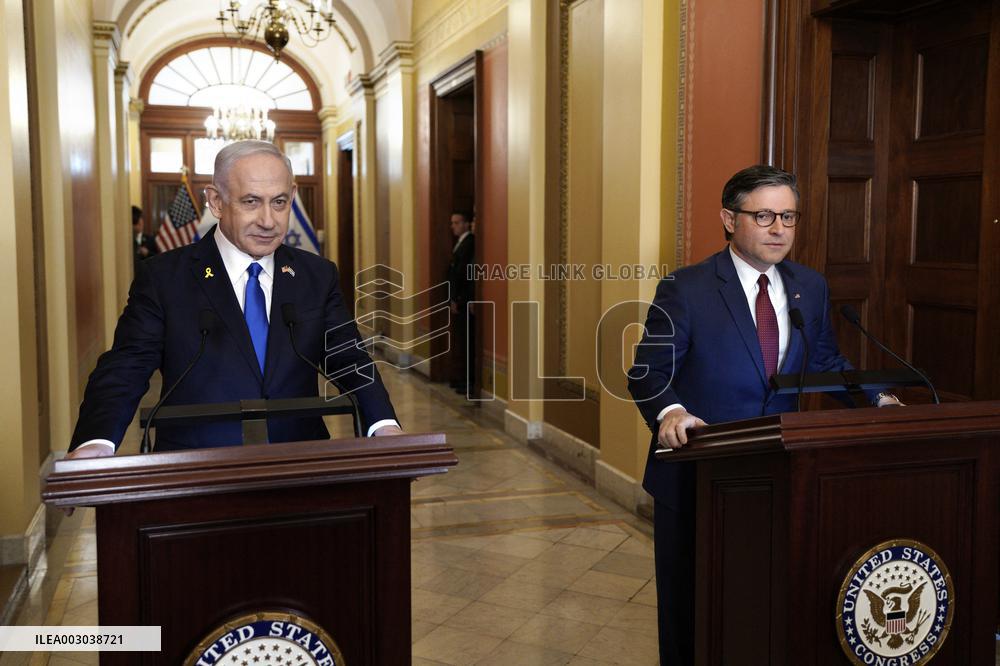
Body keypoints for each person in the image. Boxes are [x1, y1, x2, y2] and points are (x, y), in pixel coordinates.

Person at [627, 165, 898, 664]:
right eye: (765, 215)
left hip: (777, 474)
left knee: (760, 607)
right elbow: (647, 372)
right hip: (698, 474)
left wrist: (878, 400)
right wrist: (672, 412)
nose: (779, 229)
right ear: (730, 219)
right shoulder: (685, 288)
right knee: (691, 614)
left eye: (789, 217)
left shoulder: (809, 287)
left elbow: (823, 363)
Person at [68, 140, 400, 460]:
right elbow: (126, 368)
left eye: (280, 202)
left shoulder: (316, 275)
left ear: (293, 197)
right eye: (251, 201)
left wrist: (383, 425)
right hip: (195, 469)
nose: (268, 221)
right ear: (216, 201)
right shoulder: (164, 278)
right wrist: (96, 440)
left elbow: (349, 359)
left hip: (300, 463)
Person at [446, 210, 475, 394]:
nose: (453, 226)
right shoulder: (460, 243)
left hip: (464, 300)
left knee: (468, 341)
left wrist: (458, 298)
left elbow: (465, 273)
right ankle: (462, 378)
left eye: (457, 223)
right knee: (461, 340)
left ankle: (469, 380)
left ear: (467, 224)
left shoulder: (470, 242)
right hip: (459, 299)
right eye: (452, 223)